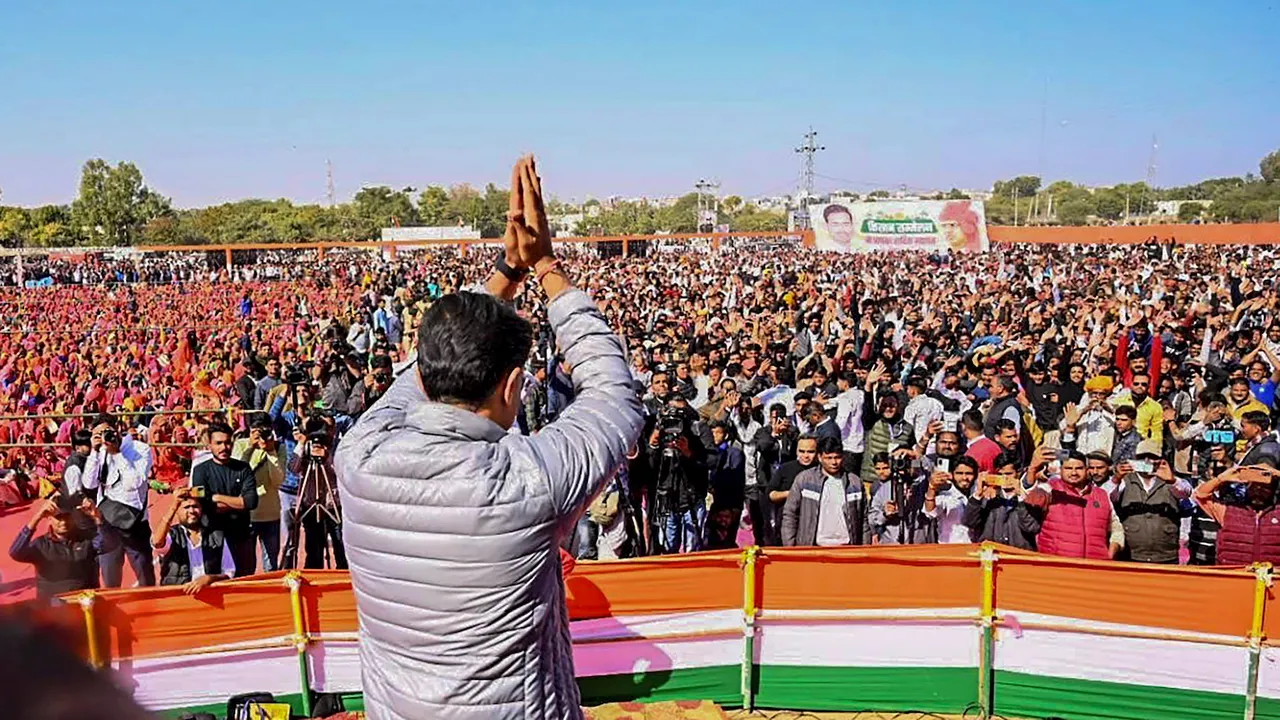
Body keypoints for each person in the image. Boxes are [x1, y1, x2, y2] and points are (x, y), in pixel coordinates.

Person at [335, 156, 644, 720]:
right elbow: (613, 394)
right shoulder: (527, 481)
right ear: (515, 386)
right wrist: (545, 265)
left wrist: (506, 271)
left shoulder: (359, 454)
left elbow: (422, 371)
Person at [82, 414, 155, 588]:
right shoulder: (99, 453)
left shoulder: (140, 449)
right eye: (99, 434)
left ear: (117, 429)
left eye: (107, 432)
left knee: (145, 578)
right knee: (110, 579)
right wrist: (94, 451)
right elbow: (88, 483)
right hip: (107, 523)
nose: (105, 437)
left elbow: (134, 483)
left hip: (134, 523)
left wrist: (116, 453)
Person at [8, 492, 117, 600]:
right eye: (58, 518)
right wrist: (36, 518)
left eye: (67, 517)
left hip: (85, 601)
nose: (64, 522)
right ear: (49, 519)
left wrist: (97, 517)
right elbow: (15, 552)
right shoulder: (41, 544)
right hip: (52, 605)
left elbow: (110, 544)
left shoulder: (86, 539)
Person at [1025, 449, 1124, 560]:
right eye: (1068, 468)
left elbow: (1116, 527)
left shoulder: (1102, 495)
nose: (1074, 473)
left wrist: (1112, 549)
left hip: (1095, 566)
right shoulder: (1049, 489)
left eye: (1079, 468)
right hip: (1057, 565)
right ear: (1061, 470)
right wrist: (1032, 469)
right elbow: (1029, 497)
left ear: (1087, 470)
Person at [190, 422, 259, 577]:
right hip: (213, 536)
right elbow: (203, 504)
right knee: (213, 580)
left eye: (227, 443)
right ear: (210, 445)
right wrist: (237, 502)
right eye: (218, 443)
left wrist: (217, 497)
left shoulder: (243, 468)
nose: (224, 447)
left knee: (245, 579)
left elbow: (251, 502)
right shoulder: (200, 471)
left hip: (241, 535)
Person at [1108, 440, 1190, 564]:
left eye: (1152, 457)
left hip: (1166, 555)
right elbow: (1107, 497)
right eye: (1142, 457)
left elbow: (1186, 493)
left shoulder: (1171, 479)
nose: (1146, 460)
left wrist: (1171, 480)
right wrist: (1116, 479)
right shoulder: (1124, 480)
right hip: (1132, 554)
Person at [781, 436, 870, 547]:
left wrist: (865, 547)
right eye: (829, 458)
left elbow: (864, 519)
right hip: (813, 549)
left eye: (837, 457)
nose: (834, 462)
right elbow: (790, 514)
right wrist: (790, 546)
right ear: (819, 457)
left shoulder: (855, 482)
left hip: (847, 548)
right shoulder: (804, 480)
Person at [150, 487, 233, 594]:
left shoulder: (217, 535)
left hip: (210, 597)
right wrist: (173, 505)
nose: (191, 511)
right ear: (177, 511)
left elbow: (229, 572)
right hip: (177, 598)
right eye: (186, 507)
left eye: (195, 506)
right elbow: (157, 542)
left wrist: (209, 579)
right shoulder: (171, 535)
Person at [1194, 463, 1280, 565]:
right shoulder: (1228, 511)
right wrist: (1221, 478)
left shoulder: (1277, 512)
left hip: (1271, 577)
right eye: (1254, 487)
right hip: (1233, 575)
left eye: (1265, 488)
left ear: (1273, 490)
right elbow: (1200, 494)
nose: (1258, 491)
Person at [232, 416, 287, 572]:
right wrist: (250, 447)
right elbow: (235, 477)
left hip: (270, 514)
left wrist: (271, 452)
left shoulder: (278, 448)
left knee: (271, 565)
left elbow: (278, 481)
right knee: (245, 565)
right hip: (246, 515)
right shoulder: (241, 445)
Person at [962, 452, 1040, 550]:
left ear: (1019, 473)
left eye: (1008, 474)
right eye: (1000, 474)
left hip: (1019, 555)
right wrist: (978, 494)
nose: (1004, 478)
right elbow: (970, 522)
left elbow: (1031, 527)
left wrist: (1020, 497)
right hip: (992, 553)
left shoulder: (1030, 496)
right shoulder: (989, 496)